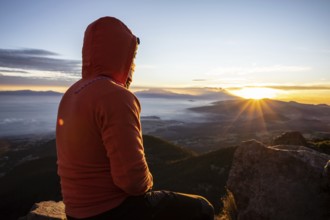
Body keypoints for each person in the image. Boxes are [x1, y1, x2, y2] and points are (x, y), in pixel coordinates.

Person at [56, 16, 214, 220]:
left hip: (75, 213)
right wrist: (149, 181)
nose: (133, 65)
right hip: (114, 210)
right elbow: (133, 182)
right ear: (122, 56)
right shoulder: (116, 96)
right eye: (133, 57)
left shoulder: (71, 93)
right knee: (203, 208)